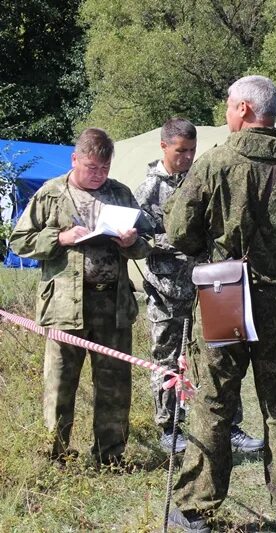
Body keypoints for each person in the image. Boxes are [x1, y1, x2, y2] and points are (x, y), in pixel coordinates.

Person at [164, 76, 276, 533]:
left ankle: (197, 510)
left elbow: (181, 231)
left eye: (227, 105)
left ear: (243, 109)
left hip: (224, 293)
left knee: (214, 402)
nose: (225, 113)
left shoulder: (214, 163)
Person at [9, 128, 150, 465]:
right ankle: (55, 456)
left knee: (115, 385)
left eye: (104, 168)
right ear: (75, 159)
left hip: (113, 306)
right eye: (91, 167)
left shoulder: (120, 193)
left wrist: (131, 243)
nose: (98, 175)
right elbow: (19, 241)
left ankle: (110, 456)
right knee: (60, 384)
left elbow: (145, 244)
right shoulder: (51, 193)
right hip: (64, 305)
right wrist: (61, 238)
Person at [135, 117, 263, 454]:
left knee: (222, 356)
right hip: (168, 291)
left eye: (192, 150)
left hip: (210, 284)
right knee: (167, 358)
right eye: (180, 151)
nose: (187, 157)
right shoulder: (149, 189)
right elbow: (141, 238)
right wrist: (178, 240)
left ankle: (229, 426)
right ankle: (170, 428)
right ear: (164, 147)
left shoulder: (203, 177)